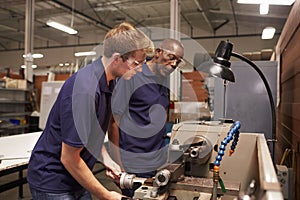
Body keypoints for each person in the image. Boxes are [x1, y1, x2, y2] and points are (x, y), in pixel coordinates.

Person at [27, 22, 154, 200]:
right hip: (54, 180)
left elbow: (90, 131)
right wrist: (106, 195)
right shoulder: (85, 91)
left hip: (77, 175)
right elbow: (69, 158)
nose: (140, 69)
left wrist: (106, 159)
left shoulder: (110, 82)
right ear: (117, 58)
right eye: (137, 63)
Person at [109, 38, 184, 197]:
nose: (173, 65)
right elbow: (113, 122)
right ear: (158, 52)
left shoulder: (164, 78)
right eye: (171, 58)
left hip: (157, 160)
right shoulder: (132, 75)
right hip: (133, 161)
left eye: (178, 62)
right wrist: (118, 166)